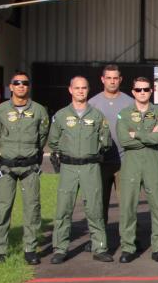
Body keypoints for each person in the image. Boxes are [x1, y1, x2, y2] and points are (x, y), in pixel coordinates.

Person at [48, 76, 113, 264]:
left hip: (90, 167)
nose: (80, 91)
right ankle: (60, 249)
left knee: (94, 208)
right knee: (63, 209)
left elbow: (105, 141)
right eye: (77, 88)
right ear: (70, 90)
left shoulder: (97, 116)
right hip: (68, 167)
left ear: (88, 90)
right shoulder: (60, 116)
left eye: (84, 88)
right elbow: (53, 141)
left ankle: (99, 247)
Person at [0, 71, 50, 264]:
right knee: (3, 207)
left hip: (30, 167)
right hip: (7, 166)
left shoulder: (39, 110)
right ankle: (0, 249)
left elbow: (42, 136)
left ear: (28, 86)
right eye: (17, 83)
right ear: (11, 86)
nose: (21, 86)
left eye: (24, 83)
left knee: (32, 209)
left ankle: (30, 249)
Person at [115, 77, 158, 263]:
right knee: (128, 207)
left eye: (146, 89)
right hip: (131, 164)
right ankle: (128, 247)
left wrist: (136, 133)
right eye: (138, 90)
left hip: (153, 163)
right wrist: (147, 135)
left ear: (151, 91)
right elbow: (124, 140)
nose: (142, 93)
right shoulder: (124, 114)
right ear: (133, 92)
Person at [88, 64, 134, 249]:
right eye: (109, 78)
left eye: (115, 78)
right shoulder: (92, 103)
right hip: (101, 162)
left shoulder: (130, 102)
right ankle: (98, 240)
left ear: (120, 80)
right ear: (102, 79)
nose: (112, 81)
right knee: (99, 204)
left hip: (124, 161)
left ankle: (129, 239)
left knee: (127, 203)